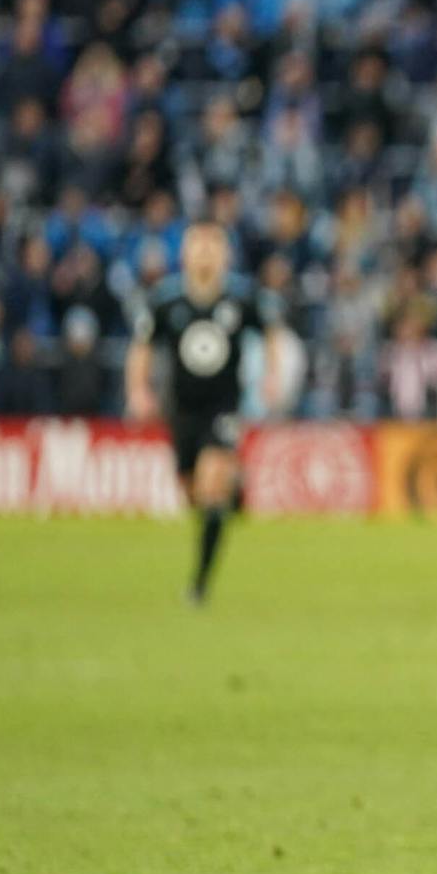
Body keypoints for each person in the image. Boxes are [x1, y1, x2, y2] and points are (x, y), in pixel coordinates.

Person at [124, 222, 285, 605]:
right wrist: (138, 390)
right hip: (180, 410)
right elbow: (142, 347)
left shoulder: (242, 298)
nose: (206, 252)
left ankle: (199, 585)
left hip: (223, 407)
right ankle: (232, 493)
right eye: (198, 245)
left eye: (214, 245)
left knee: (212, 482)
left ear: (226, 254)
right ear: (184, 253)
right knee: (192, 491)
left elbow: (271, 332)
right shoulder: (165, 301)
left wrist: (272, 377)